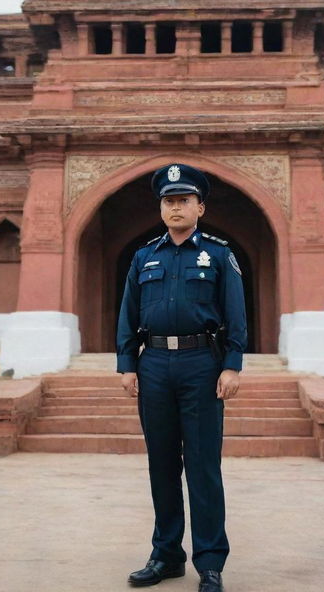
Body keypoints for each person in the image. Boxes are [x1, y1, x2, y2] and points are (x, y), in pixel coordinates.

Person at [116, 163, 247, 592]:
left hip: (201, 366)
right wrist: (126, 364)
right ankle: (166, 555)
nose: (175, 207)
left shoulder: (219, 254)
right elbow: (128, 314)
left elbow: (235, 314)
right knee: (162, 465)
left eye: (183, 201)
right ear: (161, 209)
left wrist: (232, 364)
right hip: (153, 364)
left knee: (203, 467)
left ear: (199, 207)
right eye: (169, 201)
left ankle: (209, 562)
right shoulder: (144, 256)